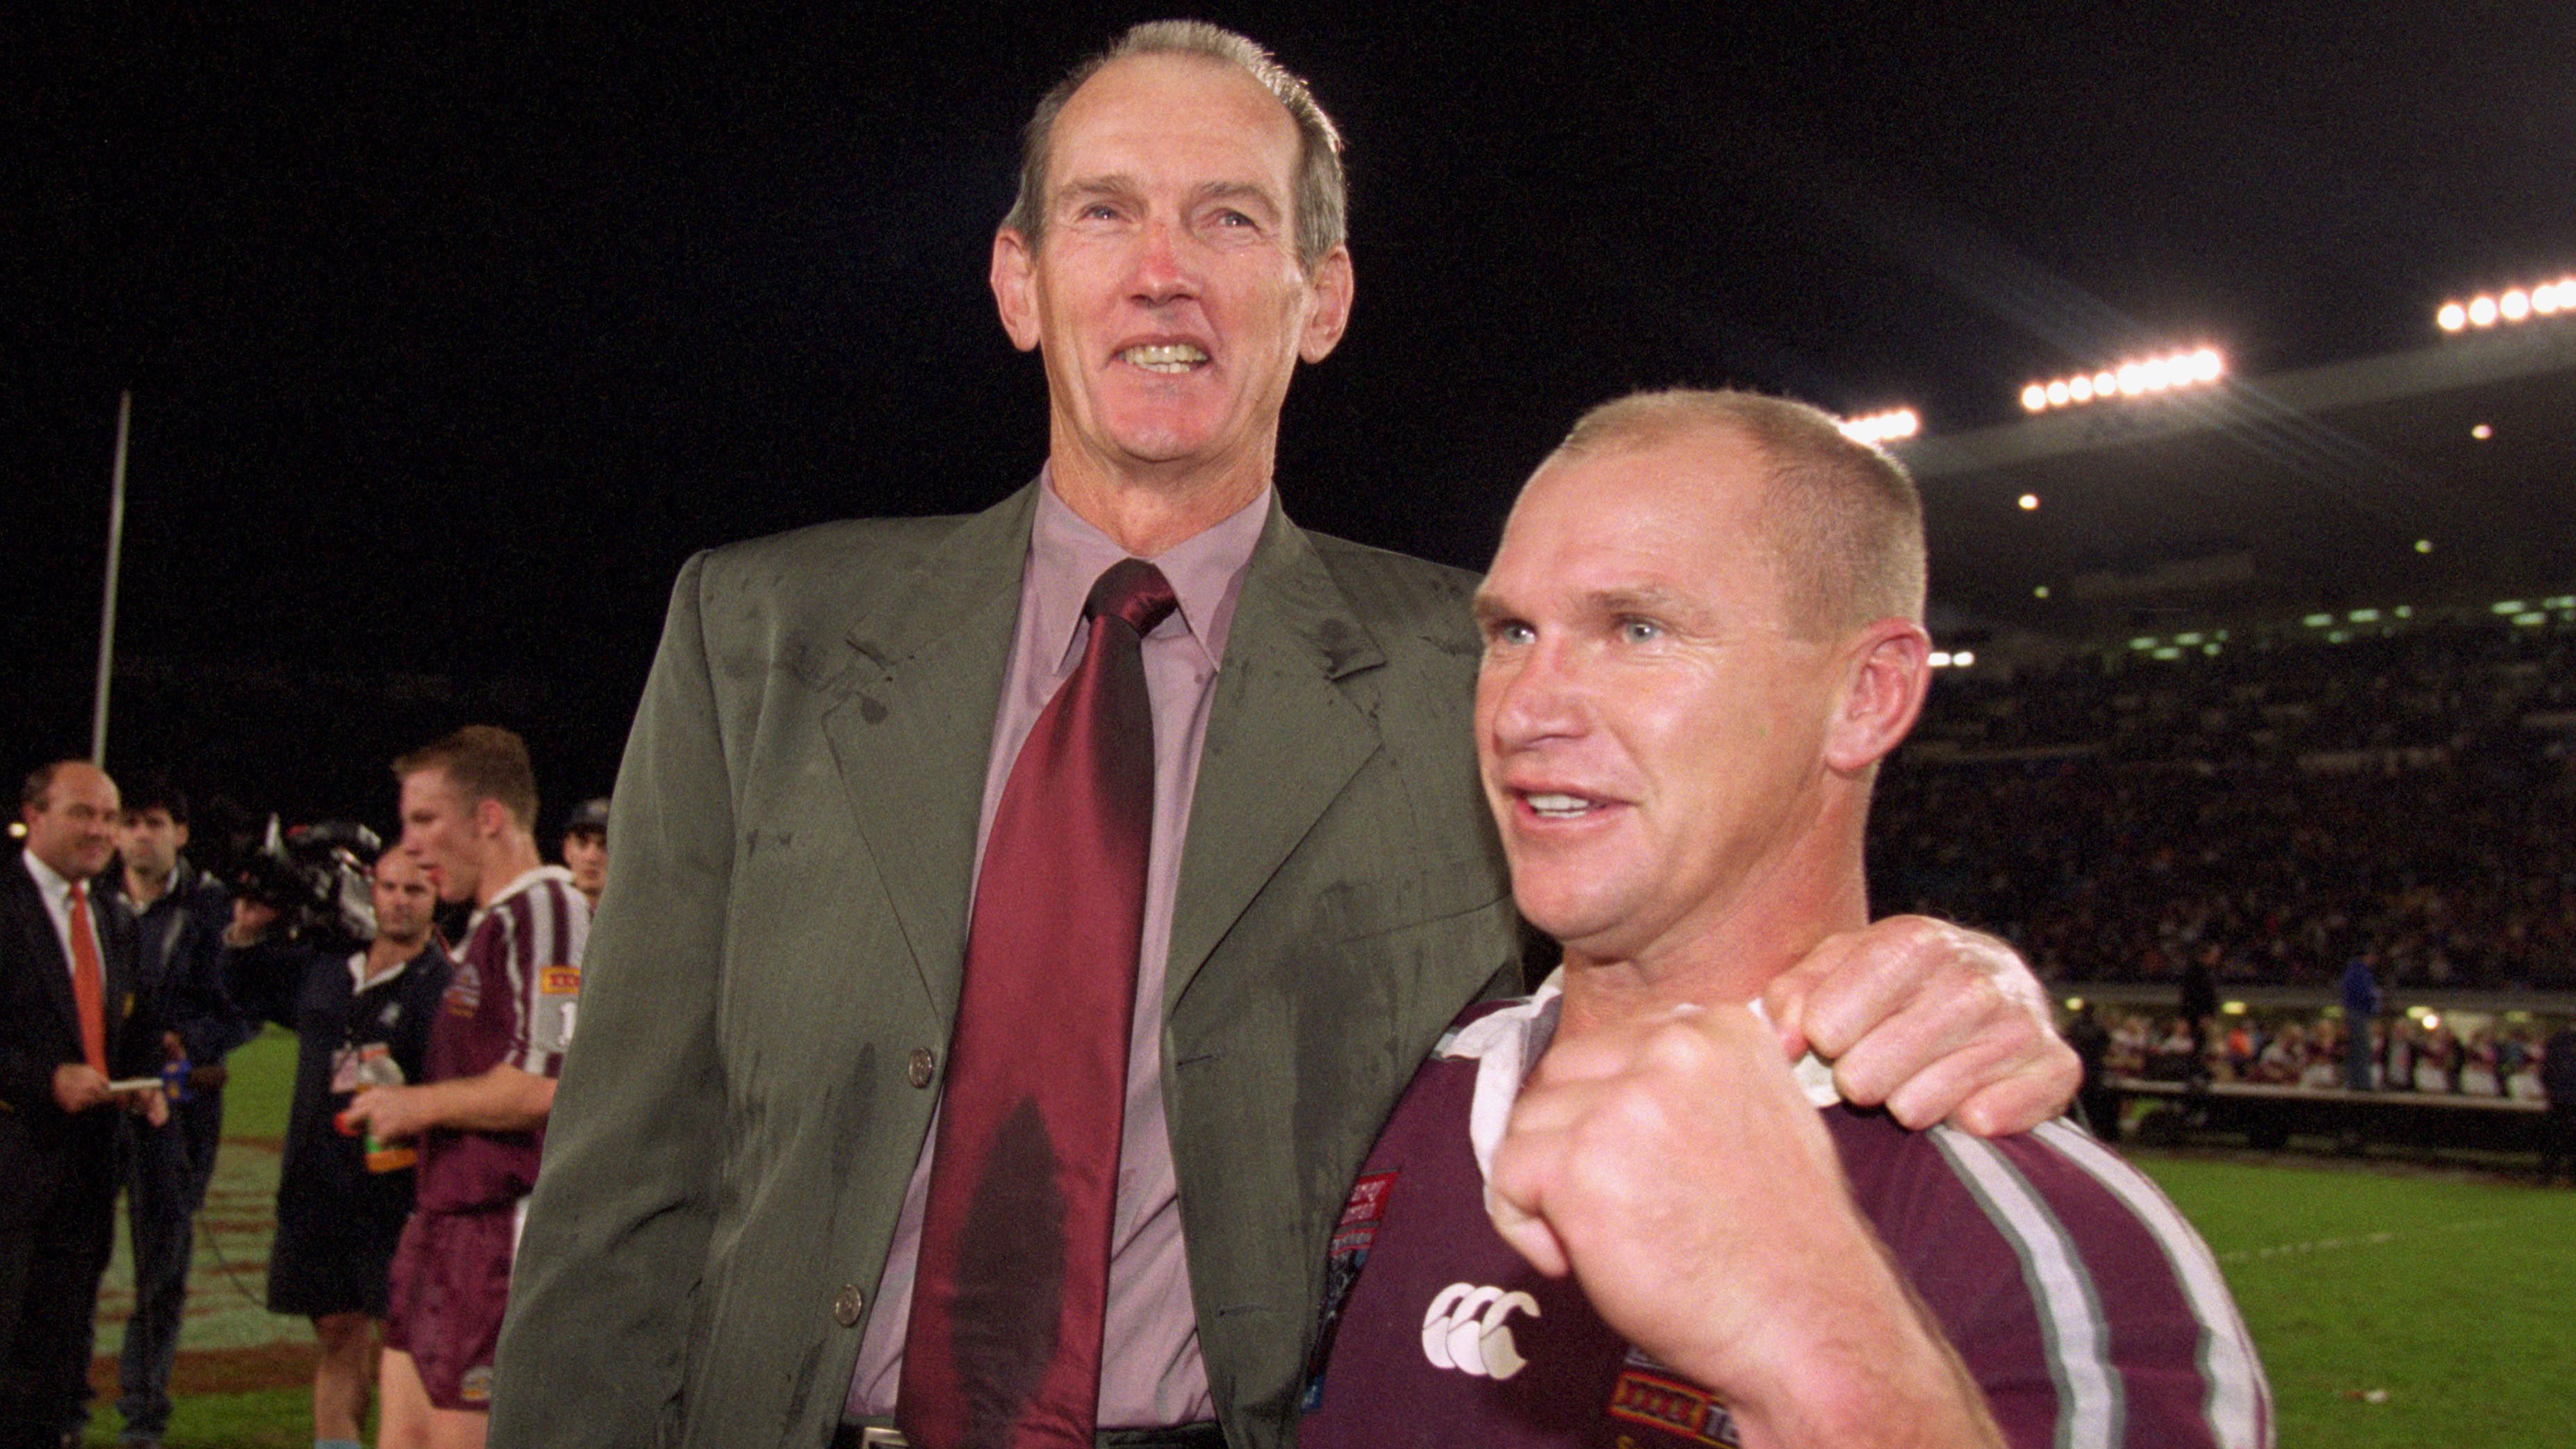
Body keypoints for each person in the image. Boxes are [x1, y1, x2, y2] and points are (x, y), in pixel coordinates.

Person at [489, 24, 2076, 1449]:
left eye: (1229, 217)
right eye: (1103, 210)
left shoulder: (1476, 665)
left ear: (1319, 300)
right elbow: (625, 1171)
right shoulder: (762, 630)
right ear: (1016, 280)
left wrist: (1944, 970)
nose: (1161, 269)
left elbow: (1713, 908)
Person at [1298, 391, 2270, 1449]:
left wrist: (1825, 1350)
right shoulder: (1380, 1101)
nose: (1526, 707)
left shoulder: (2043, 1236)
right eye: (1510, 630)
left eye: (1636, 629)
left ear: (1866, 695)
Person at [342, 728, 587, 1449]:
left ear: (487, 817)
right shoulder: (490, 924)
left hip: (498, 1231)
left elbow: (546, 1083)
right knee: (403, 1434)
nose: (410, 843)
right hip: (440, 1222)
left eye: (425, 819)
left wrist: (411, 1105)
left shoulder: (548, 909)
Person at [1, 762, 169, 1449]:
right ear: (34, 815)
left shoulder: (110, 915)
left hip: (89, 1169)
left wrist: (147, 1080)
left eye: (110, 815)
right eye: (82, 813)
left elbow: (132, 1030)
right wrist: (44, 1080)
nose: (101, 830)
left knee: (63, 1343)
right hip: (11, 1167)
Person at [264, 850, 453, 1449]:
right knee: (337, 1333)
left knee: (408, 1346)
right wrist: (246, 930)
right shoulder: (327, 968)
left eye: (414, 891)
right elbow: (242, 985)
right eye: (390, 887)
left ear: (436, 899)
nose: (399, 899)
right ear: (370, 890)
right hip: (317, 1188)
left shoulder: (446, 985)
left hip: (397, 1196)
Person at [95, 776, 249, 1449]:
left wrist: (192, 1040)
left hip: (180, 1108)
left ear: (181, 833)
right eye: (130, 822)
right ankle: (58, 1402)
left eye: (154, 822)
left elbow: (240, 1001)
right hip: (98, 1104)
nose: (140, 835)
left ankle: (142, 1418)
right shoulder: (94, 899)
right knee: (72, 1254)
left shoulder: (214, 906)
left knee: (164, 1264)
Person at [557, 797, 609, 910]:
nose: (591, 858)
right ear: (567, 850)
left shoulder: (631, 921)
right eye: (582, 844)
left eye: (604, 845)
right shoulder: (548, 914)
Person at [2339, 951, 2379, 1091]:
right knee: (2361, 1049)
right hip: (2358, 1014)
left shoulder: (2354, 972)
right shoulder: (2359, 973)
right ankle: (2361, 1083)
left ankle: (2357, 1082)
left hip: (2355, 1014)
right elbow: (2363, 995)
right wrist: (2374, 1001)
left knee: (2357, 1050)